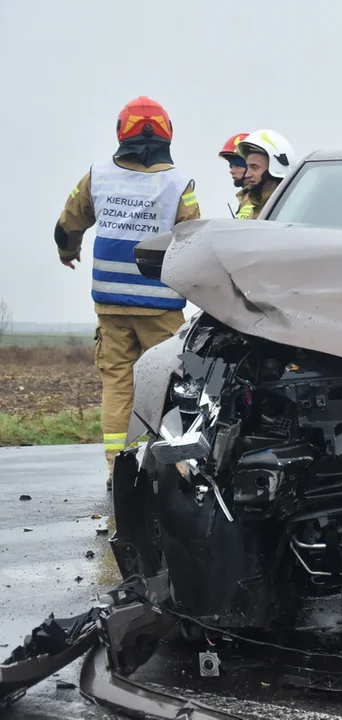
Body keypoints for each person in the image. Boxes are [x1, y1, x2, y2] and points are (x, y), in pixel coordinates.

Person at [54, 96, 200, 489]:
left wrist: (68, 253)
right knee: (171, 384)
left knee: (117, 384)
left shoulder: (97, 176)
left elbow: (67, 224)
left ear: (122, 132)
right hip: (161, 307)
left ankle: (117, 472)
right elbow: (193, 239)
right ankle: (171, 470)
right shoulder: (179, 183)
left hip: (111, 306)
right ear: (167, 134)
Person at [235, 129, 295, 219]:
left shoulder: (294, 208)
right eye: (248, 167)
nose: (247, 175)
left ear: (275, 169)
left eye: (254, 167)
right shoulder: (249, 202)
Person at [218, 132, 249, 217]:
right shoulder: (247, 197)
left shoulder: (260, 198)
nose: (231, 171)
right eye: (231, 166)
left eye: (237, 166)